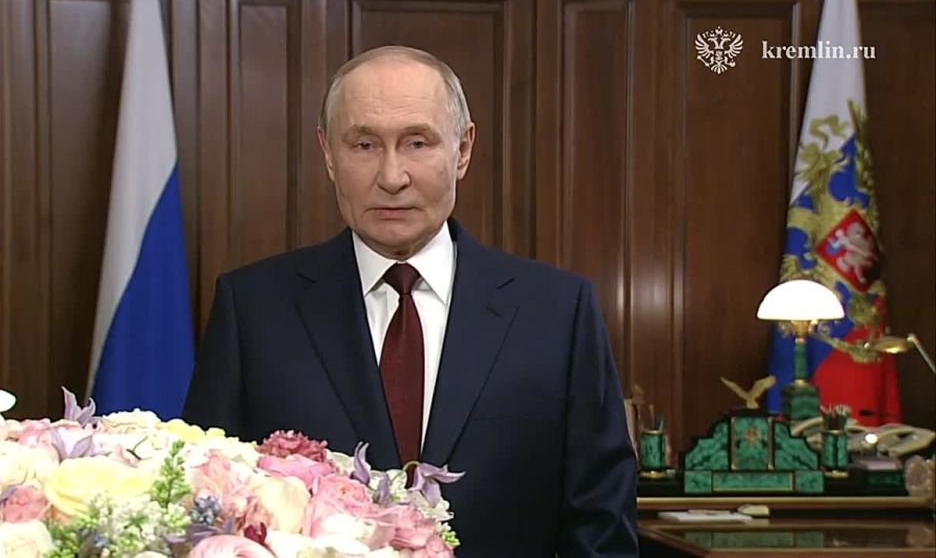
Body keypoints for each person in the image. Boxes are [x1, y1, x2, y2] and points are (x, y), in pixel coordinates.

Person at [183, 45, 638, 557]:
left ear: (463, 150)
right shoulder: (253, 309)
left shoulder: (558, 311)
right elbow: (208, 511)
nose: (392, 176)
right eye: (364, 145)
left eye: (417, 143)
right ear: (328, 153)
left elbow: (601, 525)